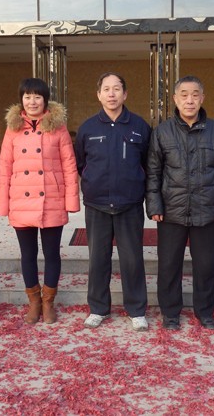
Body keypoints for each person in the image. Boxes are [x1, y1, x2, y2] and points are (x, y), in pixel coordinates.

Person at [146, 75, 214, 330]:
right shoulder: (162, 132)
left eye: (195, 95)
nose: (189, 100)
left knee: (205, 266)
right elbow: (153, 172)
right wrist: (154, 205)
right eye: (184, 95)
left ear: (202, 98)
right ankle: (170, 313)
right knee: (169, 265)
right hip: (171, 211)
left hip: (206, 211)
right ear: (175, 99)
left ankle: (204, 313)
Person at [0, 78, 79, 324]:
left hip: (51, 199)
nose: (32, 102)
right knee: (28, 254)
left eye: (37, 97)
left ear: (45, 100)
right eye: (27, 96)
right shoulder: (12, 128)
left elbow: (69, 165)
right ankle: (34, 301)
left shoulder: (58, 127)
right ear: (21, 100)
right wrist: (3, 203)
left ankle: (48, 301)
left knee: (52, 254)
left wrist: (71, 201)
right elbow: (4, 167)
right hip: (21, 200)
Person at [74, 72, 151, 332]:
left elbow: (148, 164)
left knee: (132, 259)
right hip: (97, 204)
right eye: (106, 89)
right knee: (98, 258)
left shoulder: (139, 127)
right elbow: (81, 163)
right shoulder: (88, 128)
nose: (111, 94)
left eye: (116, 89)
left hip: (129, 204)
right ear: (98, 95)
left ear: (125, 94)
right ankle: (98, 308)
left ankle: (137, 310)